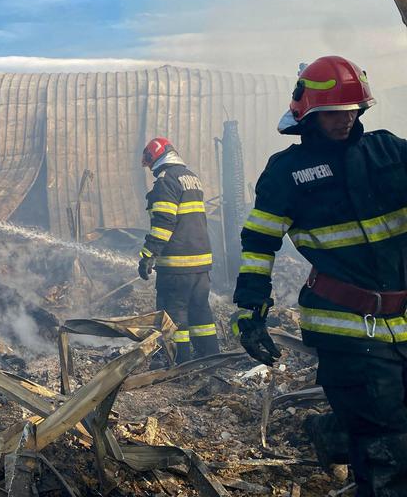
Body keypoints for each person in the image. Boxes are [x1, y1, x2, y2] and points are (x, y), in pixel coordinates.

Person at [233, 55, 407, 496]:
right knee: (386, 451)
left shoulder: (389, 151)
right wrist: (251, 311)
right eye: (332, 113)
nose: (344, 121)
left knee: (389, 425)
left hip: (402, 320)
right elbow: (259, 243)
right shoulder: (286, 173)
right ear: (306, 112)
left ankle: (334, 433)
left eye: (351, 110)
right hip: (344, 327)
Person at [137, 138, 219, 363]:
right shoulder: (191, 178)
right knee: (201, 312)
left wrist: (148, 254)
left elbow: (164, 222)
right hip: (200, 264)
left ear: (155, 158)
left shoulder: (166, 181)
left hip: (177, 265)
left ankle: (179, 363)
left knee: (174, 316)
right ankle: (210, 359)